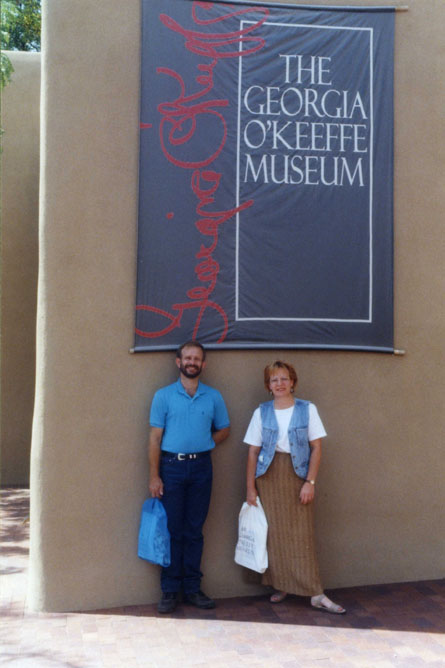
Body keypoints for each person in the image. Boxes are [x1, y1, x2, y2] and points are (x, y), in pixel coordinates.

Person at [243, 360, 345, 614]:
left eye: (284, 379)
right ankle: (283, 585)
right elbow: (253, 452)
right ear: (268, 385)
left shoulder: (307, 409)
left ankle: (316, 594)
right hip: (268, 477)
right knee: (274, 536)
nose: (279, 383)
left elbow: (316, 447)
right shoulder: (261, 412)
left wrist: (310, 482)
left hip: (298, 474)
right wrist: (250, 489)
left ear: (292, 382)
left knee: (301, 535)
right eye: (274, 380)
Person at [148, 340, 230, 614]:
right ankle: (170, 590)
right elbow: (154, 438)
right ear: (178, 362)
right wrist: (154, 476)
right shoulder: (163, 396)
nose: (192, 362)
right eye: (188, 358)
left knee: (194, 530)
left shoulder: (213, 396)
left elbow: (224, 429)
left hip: (201, 468)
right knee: (172, 530)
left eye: (197, 358)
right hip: (171, 468)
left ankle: (193, 589)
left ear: (203, 364)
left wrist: (204, 443)